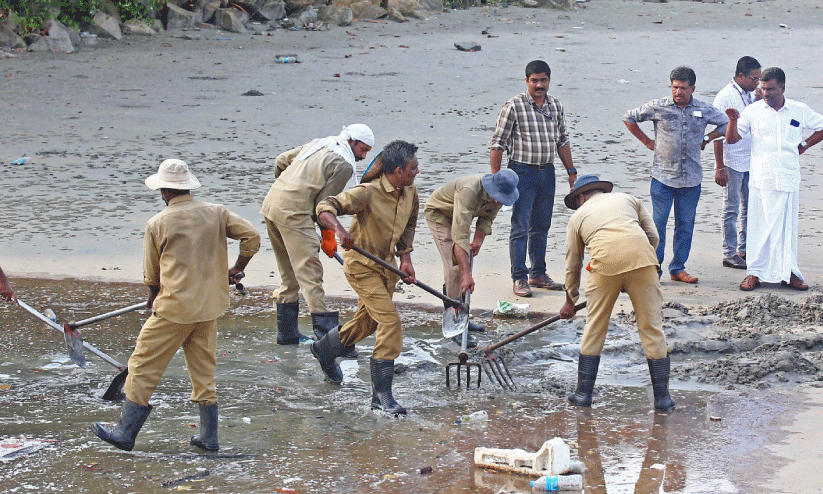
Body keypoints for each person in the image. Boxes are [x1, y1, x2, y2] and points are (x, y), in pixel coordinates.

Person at [92, 159, 261, 452]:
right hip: (209, 307)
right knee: (203, 371)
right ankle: (209, 437)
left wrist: (152, 297)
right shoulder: (216, 213)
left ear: (163, 192)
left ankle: (124, 432)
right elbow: (252, 237)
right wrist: (236, 268)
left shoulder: (158, 223)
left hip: (174, 309)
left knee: (143, 365)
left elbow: (151, 273)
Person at [312, 140, 420, 416]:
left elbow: (409, 224)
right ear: (396, 171)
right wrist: (339, 230)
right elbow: (325, 206)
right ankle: (381, 396)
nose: (416, 172)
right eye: (412, 168)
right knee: (390, 322)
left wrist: (405, 258)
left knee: (368, 322)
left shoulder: (410, 192)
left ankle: (325, 349)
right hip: (361, 266)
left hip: (388, 268)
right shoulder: (367, 193)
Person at [560, 174, 674, 412]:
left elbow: (574, 262)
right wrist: (635, 266)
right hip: (643, 261)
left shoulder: (577, 217)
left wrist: (570, 299)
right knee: (652, 328)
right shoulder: (629, 199)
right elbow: (654, 237)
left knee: (595, 327)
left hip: (604, 266)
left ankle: (583, 394)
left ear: (581, 197)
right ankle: (662, 399)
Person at [260, 124, 374, 353]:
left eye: (367, 152)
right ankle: (329, 340)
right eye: (362, 150)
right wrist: (328, 236)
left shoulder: (321, 143)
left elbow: (281, 161)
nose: (363, 157)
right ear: (351, 141)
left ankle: (287, 333)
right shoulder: (342, 165)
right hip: (294, 214)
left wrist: (288, 186)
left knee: (288, 272)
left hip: (272, 204)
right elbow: (323, 208)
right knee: (310, 273)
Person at [623, 66, 728, 284]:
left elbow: (726, 123)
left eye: (683, 88)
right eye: (675, 87)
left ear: (693, 88)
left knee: (685, 226)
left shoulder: (703, 108)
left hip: (691, 179)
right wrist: (647, 141)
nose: (678, 92)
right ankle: (654, 269)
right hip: (662, 177)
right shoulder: (658, 107)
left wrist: (708, 138)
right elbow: (629, 117)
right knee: (656, 226)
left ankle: (678, 268)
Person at [725, 67, 823, 292]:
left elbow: (821, 126)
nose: (766, 93)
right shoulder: (753, 111)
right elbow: (732, 140)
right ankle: (754, 273)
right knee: (760, 228)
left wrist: (805, 144)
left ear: (783, 88)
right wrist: (732, 120)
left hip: (788, 178)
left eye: (771, 89)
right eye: (763, 88)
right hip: (762, 179)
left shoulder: (799, 109)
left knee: (786, 230)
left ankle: (790, 272)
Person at [489, 59, 578, 298]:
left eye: (543, 80)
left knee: (542, 226)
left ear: (549, 80)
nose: (539, 85)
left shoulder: (555, 106)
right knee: (520, 226)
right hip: (521, 173)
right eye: (534, 80)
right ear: (526, 81)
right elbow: (497, 144)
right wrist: (497, 182)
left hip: (547, 172)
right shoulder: (514, 106)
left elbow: (563, 141)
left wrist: (571, 172)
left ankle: (538, 273)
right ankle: (519, 277)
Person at [424, 169, 520, 343]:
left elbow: (486, 219)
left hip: (461, 216)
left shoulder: (500, 194)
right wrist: (467, 276)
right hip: (440, 214)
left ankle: (463, 316)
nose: (498, 201)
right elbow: (459, 236)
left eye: (501, 198)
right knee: (455, 269)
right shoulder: (469, 191)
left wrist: (478, 240)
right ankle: (455, 325)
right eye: (496, 196)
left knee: (463, 263)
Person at [713, 56, 762, 270]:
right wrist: (720, 166)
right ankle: (729, 253)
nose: (757, 83)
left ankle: (744, 249)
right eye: (754, 78)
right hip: (731, 161)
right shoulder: (725, 97)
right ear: (740, 76)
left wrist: (759, 100)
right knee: (731, 208)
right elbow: (717, 134)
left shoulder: (751, 94)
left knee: (750, 207)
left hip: (750, 159)